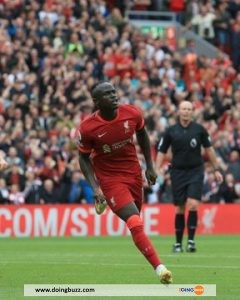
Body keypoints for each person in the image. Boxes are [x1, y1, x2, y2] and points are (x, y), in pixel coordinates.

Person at [75, 81, 172, 284]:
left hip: (134, 174)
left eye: (114, 92)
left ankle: (102, 201)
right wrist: (95, 187)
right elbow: (83, 158)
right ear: (96, 102)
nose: (114, 96)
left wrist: (150, 166)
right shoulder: (88, 128)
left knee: (137, 218)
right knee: (135, 222)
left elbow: (143, 136)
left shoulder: (132, 113)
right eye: (108, 94)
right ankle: (160, 268)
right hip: (110, 179)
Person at [156, 101, 223, 253]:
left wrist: (216, 169)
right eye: (183, 109)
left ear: (192, 112)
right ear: (179, 111)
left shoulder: (199, 130)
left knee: (192, 204)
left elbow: (210, 150)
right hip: (177, 172)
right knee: (180, 207)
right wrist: (157, 168)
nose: (186, 111)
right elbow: (161, 151)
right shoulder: (170, 131)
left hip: (196, 171)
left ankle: (191, 241)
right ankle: (178, 243)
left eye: (188, 109)